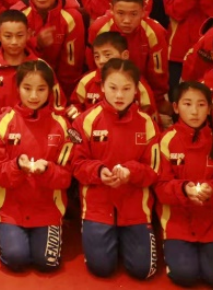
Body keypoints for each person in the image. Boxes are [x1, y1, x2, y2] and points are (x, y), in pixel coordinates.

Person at [71, 58, 160, 280]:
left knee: (143, 271)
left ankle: (126, 239)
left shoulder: (147, 123)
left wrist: (131, 172)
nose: (119, 95)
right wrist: (99, 171)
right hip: (98, 204)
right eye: (113, 88)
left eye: (126, 89)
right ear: (102, 87)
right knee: (102, 269)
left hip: (135, 205)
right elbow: (77, 164)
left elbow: (154, 170)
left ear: (136, 89)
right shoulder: (85, 120)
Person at [0, 60, 72, 273]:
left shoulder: (63, 126)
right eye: (27, 88)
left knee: (47, 263)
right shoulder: (0, 125)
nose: (34, 95)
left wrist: (48, 170)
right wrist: (17, 166)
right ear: (17, 88)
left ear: (50, 90)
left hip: (48, 209)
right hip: (11, 210)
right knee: (16, 260)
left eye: (41, 89)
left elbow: (67, 177)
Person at [156, 81, 213, 288]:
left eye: (201, 105)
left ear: (209, 108)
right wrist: (184, 189)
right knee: (184, 276)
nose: (194, 111)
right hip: (177, 222)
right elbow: (160, 186)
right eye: (187, 104)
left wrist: (211, 192)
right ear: (175, 107)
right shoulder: (166, 140)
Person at [88, 0, 169, 110]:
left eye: (133, 14)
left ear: (143, 11)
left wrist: (155, 101)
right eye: (120, 13)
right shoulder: (98, 28)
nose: (127, 20)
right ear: (111, 9)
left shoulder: (155, 32)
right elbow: (93, 65)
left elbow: (158, 75)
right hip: (105, 91)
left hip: (142, 92)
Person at [13, 0, 85, 97]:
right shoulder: (18, 15)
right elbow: (12, 55)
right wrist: (36, 43)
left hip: (62, 88)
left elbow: (71, 67)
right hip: (25, 85)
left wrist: (62, 97)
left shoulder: (72, 17)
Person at [0, 11, 48, 123]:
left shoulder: (42, 67)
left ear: (28, 34)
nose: (14, 42)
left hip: (34, 129)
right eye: (8, 36)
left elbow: (55, 105)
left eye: (20, 36)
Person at [68, 32, 154, 118]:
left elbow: (150, 117)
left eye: (107, 55)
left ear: (124, 55)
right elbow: (75, 107)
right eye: (97, 56)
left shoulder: (138, 84)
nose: (101, 61)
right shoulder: (86, 82)